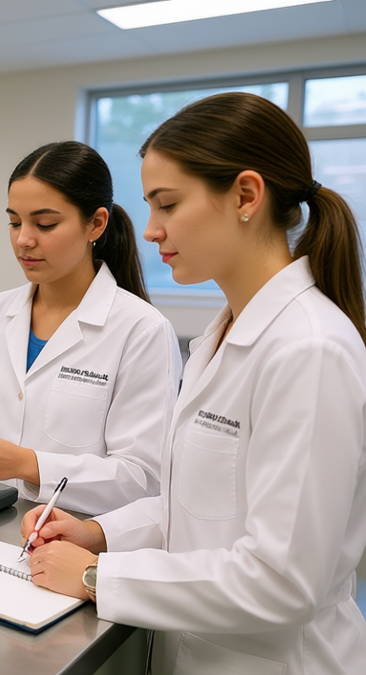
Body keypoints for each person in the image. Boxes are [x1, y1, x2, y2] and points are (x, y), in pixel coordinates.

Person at [21, 93, 366, 673]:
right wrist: (96, 532)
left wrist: (96, 576)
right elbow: (196, 510)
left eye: (168, 204)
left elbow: (283, 581)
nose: (151, 230)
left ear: (246, 196)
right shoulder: (222, 336)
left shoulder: (310, 349)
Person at [0, 141, 182, 515]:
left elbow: (142, 479)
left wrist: (28, 464)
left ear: (96, 223)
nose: (23, 240)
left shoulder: (141, 330)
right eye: (15, 222)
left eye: (45, 224)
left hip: (77, 537)